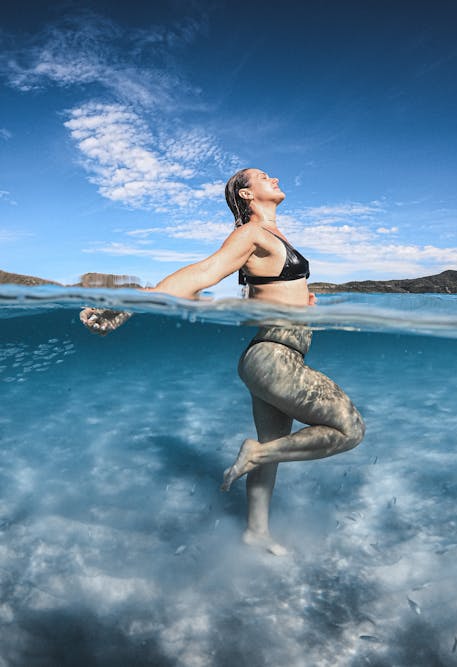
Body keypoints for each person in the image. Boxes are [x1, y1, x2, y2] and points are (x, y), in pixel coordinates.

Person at [81, 168, 365, 555]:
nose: (275, 177)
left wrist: (303, 303)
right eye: (264, 177)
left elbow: (263, 294)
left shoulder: (274, 236)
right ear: (247, 195)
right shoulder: (251, 233)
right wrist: (132, 307)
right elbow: (204, 272)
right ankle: (256, 454)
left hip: (270, 355)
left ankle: (256, 531)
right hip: (274, 358)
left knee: (273, 449)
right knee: (349, 429)